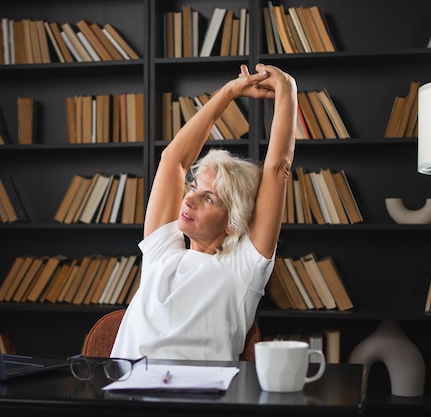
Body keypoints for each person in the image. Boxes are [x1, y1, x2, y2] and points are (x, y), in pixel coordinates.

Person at [110, 63, 297, 361]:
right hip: (125, 395)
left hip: (199, 398)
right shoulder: (163, 252)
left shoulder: (243, 269)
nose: (189, 200)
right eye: (194, 187)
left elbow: (278, 169)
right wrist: (230, 91)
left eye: (209, 199)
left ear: (232, 224)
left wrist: (287, 88)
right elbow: (173, 160)